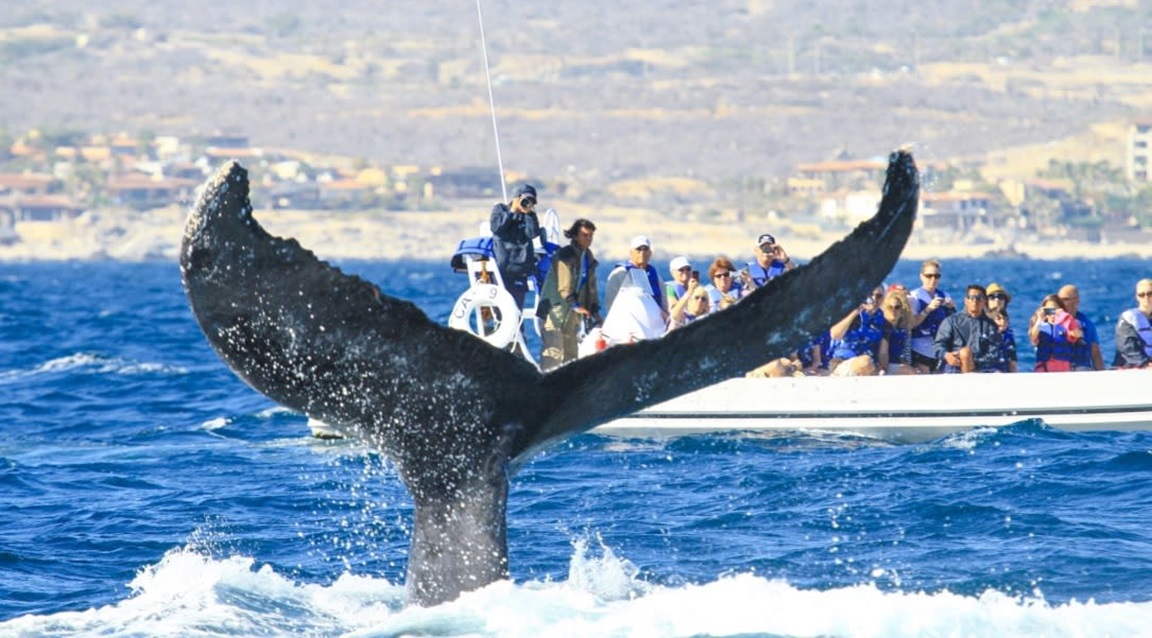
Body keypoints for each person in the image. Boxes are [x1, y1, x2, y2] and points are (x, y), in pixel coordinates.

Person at [539, 218, 601, 371]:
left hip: (574, 311)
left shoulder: (588, 257)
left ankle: (568, 385)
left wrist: (594, 311)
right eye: (585, 235)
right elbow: (564, 285)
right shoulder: (566, 254)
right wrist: (575, 305)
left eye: (591, 236)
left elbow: (590, 287)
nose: (589, 239)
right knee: (554, 350)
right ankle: (546, 381)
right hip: (556, 307)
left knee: (571, 351)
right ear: (575, 236)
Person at [490, 184, 546, 311]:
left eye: (531, 201)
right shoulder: (500, 209)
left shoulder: (528, 216)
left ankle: (518, 329)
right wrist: (512, 211)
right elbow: (496, 228)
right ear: (515, 198)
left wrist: (530, 215)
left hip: (521, 267)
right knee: (501, 308)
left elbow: (532, 234)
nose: (527, 203)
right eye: (525, 200)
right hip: (503, 266)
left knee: (516, 307)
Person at [601, 235, 668, 342]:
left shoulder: (655, 275)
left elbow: (663, 301)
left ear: (650, 253)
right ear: (631, 252)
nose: (642, 252)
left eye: (645, 249)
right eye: (638, 249)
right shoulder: (620, 273)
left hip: (654, 329)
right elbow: (610, 301)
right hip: (628, 329)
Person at [933, 284, 1003, 373]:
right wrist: (946, 355)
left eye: (979, 298)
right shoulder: (951, 321)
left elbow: (994, 352)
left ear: (984, 301)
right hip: (954, 366)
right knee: (964, 353)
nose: (975, 301)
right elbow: (938, 346)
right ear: (966, 300)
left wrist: (973, 362)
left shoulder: (990, 325)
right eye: (971, 297)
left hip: (981, 368)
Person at [827, 286, 886, 376]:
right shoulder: (850, 311)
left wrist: (883, 368)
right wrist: (855, 312)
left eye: (879, 296)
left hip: (870, 366)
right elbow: (835, 335)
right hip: (843, 361)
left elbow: (883, 351)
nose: (874, 299)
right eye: (870, 295)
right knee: (865, 362)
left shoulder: (882, 319)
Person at [910, 260, 956, 373]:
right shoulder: (914, 296)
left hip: (939, 348)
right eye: (929, 276)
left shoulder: (944, 295)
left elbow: (952, 324)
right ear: (921, 277)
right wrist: (928, 309)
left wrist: (952, 308)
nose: (933, 280)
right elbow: (911, 324)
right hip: (919, 347)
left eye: (937, 276)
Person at [1029, 294, 1081, 373]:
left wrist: (1066, 317)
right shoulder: (1041, 327)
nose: (1052, 313)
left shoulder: (1066, 326)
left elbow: (1078, 334)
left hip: (1063, 369)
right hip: (1044, 369)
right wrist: (1040, 318)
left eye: (1054, 310)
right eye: (1049, 310)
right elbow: (1033, 337)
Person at [1058, 284, 1105, 371]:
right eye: (1058, 300)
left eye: (1064, 300)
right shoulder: (1052, 321)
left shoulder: (1087, 325)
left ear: (1076, 301)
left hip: (1082, 371)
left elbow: (1095, 354)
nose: (1060, 304)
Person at [1113, 278, 1152, 369]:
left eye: (1150, 293)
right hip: (1131, 366)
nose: (1146, 297)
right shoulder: (1128, 318)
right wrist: (1144, 364)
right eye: (1141, 295)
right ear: (1137, 297)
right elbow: (1127, 346)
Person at [878, 288, 917, 375]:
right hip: (884, 364)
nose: (893, 311)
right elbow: (882, 352)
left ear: (902, 310)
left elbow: (907, 354)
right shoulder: (882, 326)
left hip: (897, 364)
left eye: (897, 307)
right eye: (890, 307)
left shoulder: (904, 330)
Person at [985, 307, 1018, 373]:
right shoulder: (986, 338)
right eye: (999, 319)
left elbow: (1012, 362)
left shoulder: (1009, 339)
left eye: (1005, 319)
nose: (1003, 321)